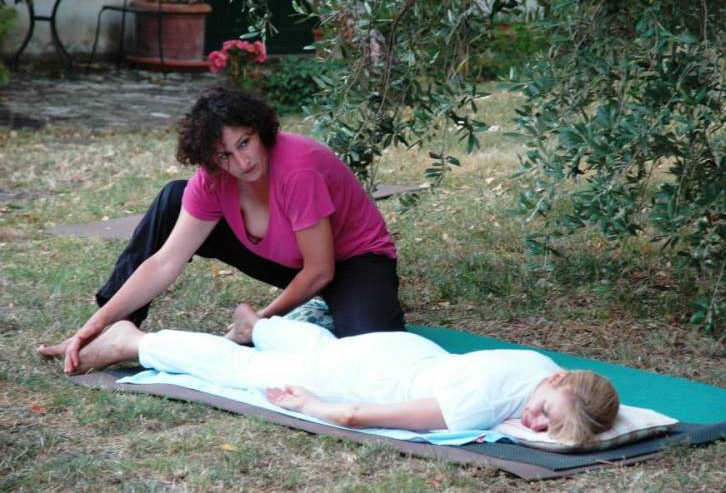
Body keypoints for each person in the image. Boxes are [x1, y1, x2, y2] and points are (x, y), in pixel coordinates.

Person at [38, 87, 405, 374]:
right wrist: (94, 324)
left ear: (260, 130)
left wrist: (258, 322)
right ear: (209, 159)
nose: (242, 161)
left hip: (353, 263)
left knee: (373, 360)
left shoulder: (298, 169)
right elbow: (164, 262)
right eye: (224, 155)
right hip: (289, 261)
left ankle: (313, 312)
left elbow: (321, 270)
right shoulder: (212, 180)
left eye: (245, 142)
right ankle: (116, 328)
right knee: (175, 197)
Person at [74, 304, 620, 443]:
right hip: (365, 378)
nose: (535, 426)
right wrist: (312, 406)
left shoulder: (547, 369)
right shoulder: (479, 403)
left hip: (402, 353)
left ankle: (258, 324)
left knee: (318, 350)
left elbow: (585, 405)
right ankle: (136, 341)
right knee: (247, 371)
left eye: (547, 429)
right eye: (545, 416)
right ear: (556, 386)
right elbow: (360, 414)